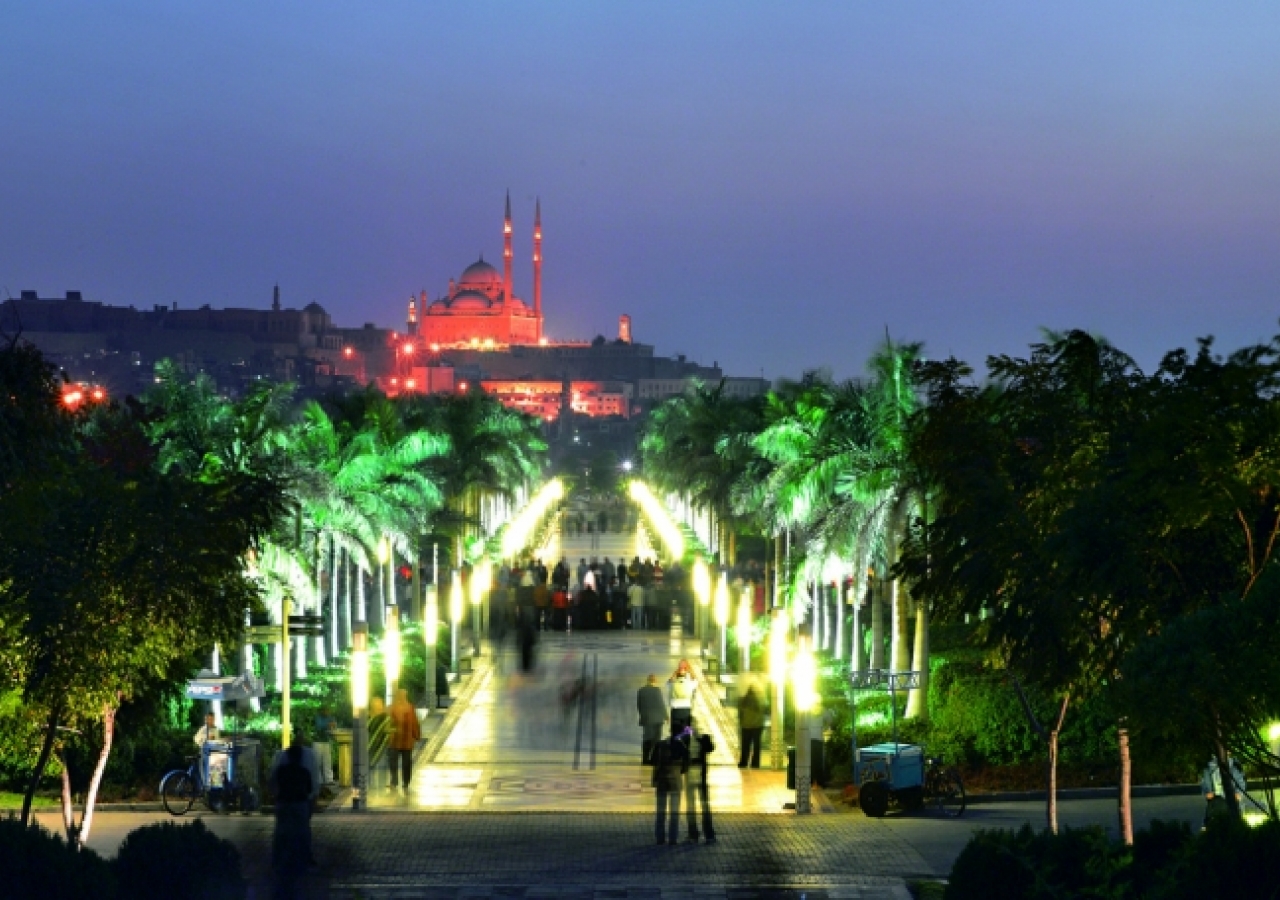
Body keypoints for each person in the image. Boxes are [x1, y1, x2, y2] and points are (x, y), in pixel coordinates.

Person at [269, 740, 314, 899]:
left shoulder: (281, 771)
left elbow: (273, 784)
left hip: (284, 803)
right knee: (302, 832)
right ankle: (305, 858)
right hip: (299, 804)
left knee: (280, 832)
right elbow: (309, 789)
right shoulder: (303, 771)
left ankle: (277, 859)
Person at [651, 721, 689, 845]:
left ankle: (660, 838)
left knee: (660, 811)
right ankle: (673, 838)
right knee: (674, 812)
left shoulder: (660, 745)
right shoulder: (682, 747)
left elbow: (652, 761)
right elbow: (685, 767)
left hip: (661, 781)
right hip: (675, 782)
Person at [684, 725, 716, 843]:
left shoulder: (702, 738)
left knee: (696, 805)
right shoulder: (686, 740)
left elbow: (710, 747)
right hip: (696, 776)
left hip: (696, 776)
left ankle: (696, 834)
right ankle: (706, 834)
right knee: (702, 805)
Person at [387, 688, 420, 794]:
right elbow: (387, 722)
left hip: (406, 741)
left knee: (407, 762)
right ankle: (394, 781)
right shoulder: (392, 708)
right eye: (400, 695)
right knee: (393, 762)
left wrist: (416, 735)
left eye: (403, 695)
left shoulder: (410, 708)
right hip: (394, 740)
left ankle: (406, 782)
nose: (402, 697)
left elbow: (414, 722)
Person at [1201, 755, 1247, 828]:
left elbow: (1241, 782)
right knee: (1213, 817)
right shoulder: (1209, 769)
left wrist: (1238, 793)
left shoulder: (1233, 768)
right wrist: (1207, 792)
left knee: (1231, 817)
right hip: (1215, 798)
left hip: (1230, 798)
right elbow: (1205, 783)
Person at [637, 674, 668, 764]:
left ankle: (645, 758)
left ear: (647, 680)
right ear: (655, 681)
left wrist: (643, 715)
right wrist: (666, 716)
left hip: (646, 718)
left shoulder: (641, 690)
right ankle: (654, 758)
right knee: (656, 739)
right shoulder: (657, 690)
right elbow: (661, 704)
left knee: (647, 738)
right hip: (657, 718)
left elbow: (639, 705)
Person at [193, 712, 229, 787]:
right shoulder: (203, 729)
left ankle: (214, 787)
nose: (208, 720)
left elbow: (217, 740)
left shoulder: (216, 729)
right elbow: (196, 739)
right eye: (207, 719)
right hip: (205, 753)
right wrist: (204, 740)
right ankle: (204, 788)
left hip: (214, 754)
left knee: (216, 772)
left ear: (213, 719)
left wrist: (222, 740)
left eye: (211, 719)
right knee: (205, 772)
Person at [737, 685, 765, 769]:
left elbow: (740, 713)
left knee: (745, 745)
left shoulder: (743, 700)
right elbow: (764, 710)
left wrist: (741, 722)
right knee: (756, 746)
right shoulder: (759, 700)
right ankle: (755, 763)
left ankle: (743, 762)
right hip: (757, 726)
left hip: (746, 726)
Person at [668, 659, 697, 731]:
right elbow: (696, 681)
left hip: (675, 709)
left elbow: (668, 682)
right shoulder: (689, 683)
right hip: (686, 708)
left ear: (676, 675)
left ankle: (675, 739)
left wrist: (675, 672)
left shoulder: (672, 684)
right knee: (686, 730)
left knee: (675, 730)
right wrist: (690, 671)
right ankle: (686, 740)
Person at [313, 706, 337, 785]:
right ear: (321, 711)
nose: (327, 712)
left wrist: (333, 725)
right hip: (318, 742)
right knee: (317, 761)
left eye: (328, 711)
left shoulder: (331, 718)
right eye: (326, 710)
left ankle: (329, 779)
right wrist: (329, 724)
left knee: (328, 761)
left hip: (327, 741)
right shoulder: (318, 718)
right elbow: (319, 727)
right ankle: (318, 780)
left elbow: (334, 727)